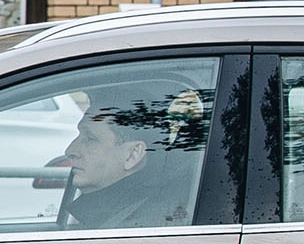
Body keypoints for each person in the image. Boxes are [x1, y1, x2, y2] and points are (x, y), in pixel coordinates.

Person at [49, 87, 199, 231]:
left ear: (132, 154)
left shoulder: (142, 229)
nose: (70, 150)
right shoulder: (122, 217)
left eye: (90, 139)